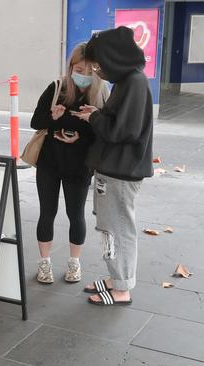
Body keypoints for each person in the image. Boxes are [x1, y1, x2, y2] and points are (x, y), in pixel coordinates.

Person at [72, 26, 154, 306]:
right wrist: (97, 114)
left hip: (121, 171)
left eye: (98, 64)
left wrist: (94, 118)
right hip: (115, 169)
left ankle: (121, 288)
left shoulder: (133, 83)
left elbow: (123, 131)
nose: (97, 71)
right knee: (111, 227)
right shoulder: (127, 81)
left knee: (118, 229)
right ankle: (116, 277)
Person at [30, 43, 109, 285]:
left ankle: (75, 264)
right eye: (78, 69)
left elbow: (104, 132)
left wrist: (80, 136)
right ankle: (45, 263)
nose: (83, 75)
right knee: (47, 212)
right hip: (50, 162)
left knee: (76, 215)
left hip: (80, 166)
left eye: (89, 71)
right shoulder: (57, 87)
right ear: (70, 67)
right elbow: (36, 121)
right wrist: (53, 121)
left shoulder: (101, 92)